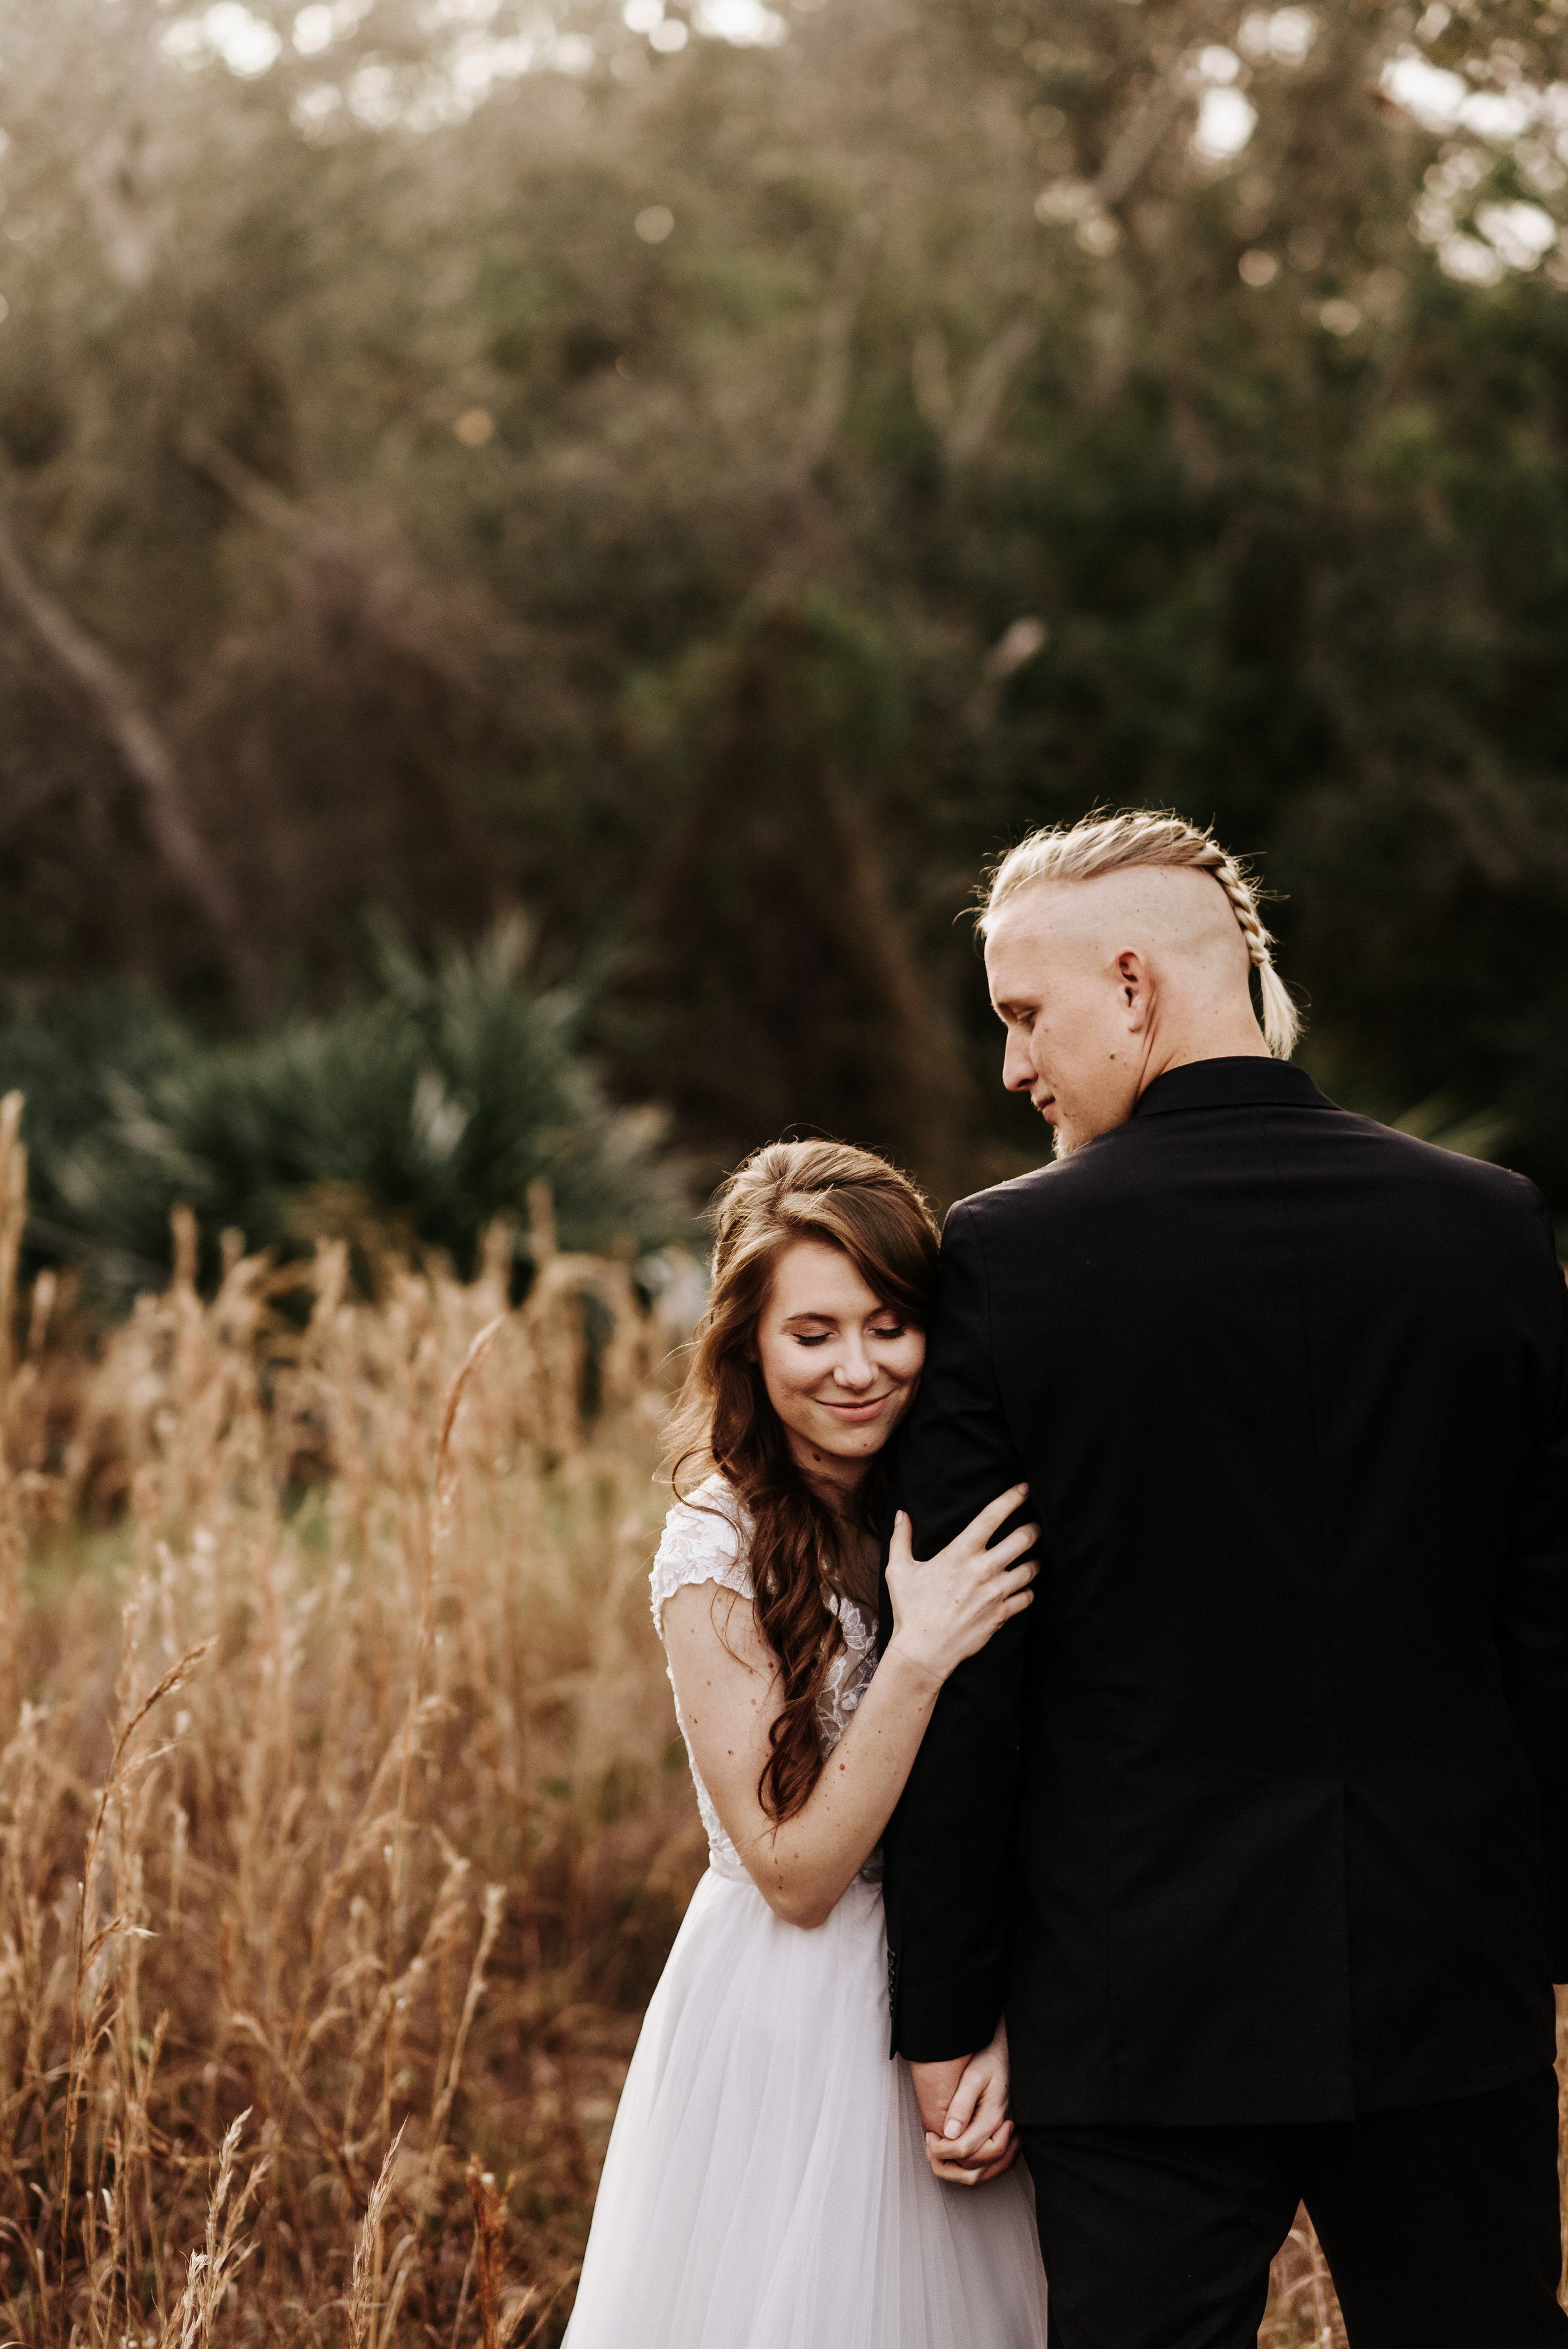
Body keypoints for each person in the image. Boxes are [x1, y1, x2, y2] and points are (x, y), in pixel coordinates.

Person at [882, 809, 1568, 2349]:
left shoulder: (1006, 1254)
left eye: (1019, 1014)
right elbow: (1546, 1625)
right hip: (1443, 1981)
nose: (1010, 1069)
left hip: (1138, 2006)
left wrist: (942, 2008)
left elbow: (970, 1657)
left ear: (1132, 988)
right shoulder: (1486, 1229)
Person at [563, 1138, 1050, 2349]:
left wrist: (1001, 2009)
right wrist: (924, 1649)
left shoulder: (951, 1499)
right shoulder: (712, 1548)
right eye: (813, 1333)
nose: (858, 1369)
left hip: (958, 1978)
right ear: (747, 1345)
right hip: (796, 2021)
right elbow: (792, 1870)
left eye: (890, 1326)